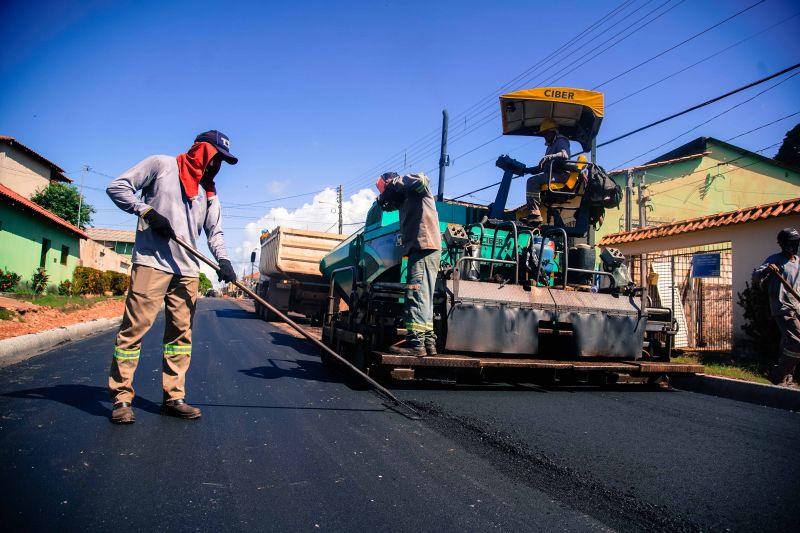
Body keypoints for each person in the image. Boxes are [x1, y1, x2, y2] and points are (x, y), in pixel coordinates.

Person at [105, 130, 239, 424]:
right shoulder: (161, 165)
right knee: (133, 331)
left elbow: (214, 232)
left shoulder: (209, 193)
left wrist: (225, 260)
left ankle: (173, 398)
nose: (216, 166)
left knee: (180, 338)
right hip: (152, 264)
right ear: (202, 151)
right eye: (215, 158)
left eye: (221, 162)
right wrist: (147, 211)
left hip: (188, 271)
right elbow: (117, 187)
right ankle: (122, 398)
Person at [375, 171, 441, 357]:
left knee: (416, 295)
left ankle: (416, 345)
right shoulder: (406, 198)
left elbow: (422, 179)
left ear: (390, 182)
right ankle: (428, 343)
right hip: (424, 249)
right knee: (424, 298)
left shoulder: (415, 188)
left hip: (423, 249)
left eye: (385, 187)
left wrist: (396, 182)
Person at [752, 227, 800, 387]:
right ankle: (778, 374)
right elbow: (755, 276)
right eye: (790, 243)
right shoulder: (774, 259)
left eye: (795, 243)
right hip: (783, 306)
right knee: (796, 340)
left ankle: (786, 378)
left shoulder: (798, 262)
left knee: (788, 343)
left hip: (797, 306)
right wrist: (767, 269)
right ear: (783, 244)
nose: (793, 246)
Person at [523, 118, 571, 226]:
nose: (544, 136)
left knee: (532, 182)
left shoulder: (561, 141)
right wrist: (525, 170)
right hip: (551, 174)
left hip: (561, 175)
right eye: (543, 134)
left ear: (553, 132)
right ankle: (533, 213)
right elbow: (542, 167)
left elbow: (565, 155)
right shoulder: (550, 146)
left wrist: (548, 157)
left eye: (546, 133)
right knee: (531, 180)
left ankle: (535, 213)